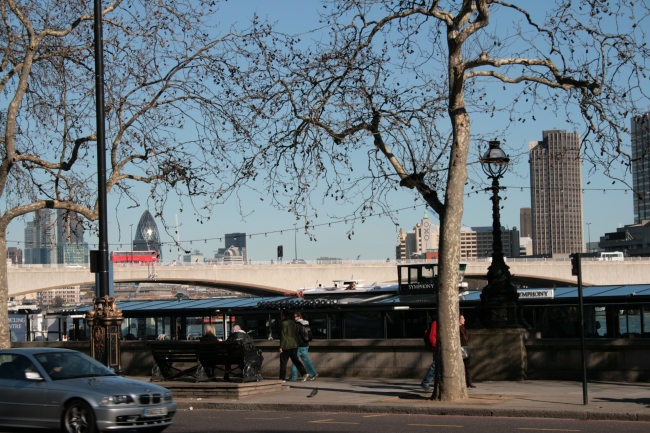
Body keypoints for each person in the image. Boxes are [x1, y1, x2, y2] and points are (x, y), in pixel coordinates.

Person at [279, 310, 309, 382]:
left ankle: (282, 378)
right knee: (295, 360)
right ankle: (304, 373)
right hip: (294, 345)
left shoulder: (284, 323)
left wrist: (281, 346)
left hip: (287, 345)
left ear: (283, 316)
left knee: (283, 362)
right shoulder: (293, 322)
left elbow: (283, 336)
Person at [290, 312, 318, 381]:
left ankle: (294, 377)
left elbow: (294, 335)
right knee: (306, 360)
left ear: (299, 317)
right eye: (294, 317)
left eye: (295, 317)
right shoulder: (306, 324)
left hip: (299, 345)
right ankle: (313, 374)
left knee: (295, 361)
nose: (294, 318)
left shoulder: (297, 324)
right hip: (306, 344)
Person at [420, 316, 437, 392]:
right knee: (435, 365)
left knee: (436, 366)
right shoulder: (435, 323)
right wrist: (436, 346)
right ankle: (426, 382)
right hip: (437, 348)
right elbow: (432, 336)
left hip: (438, 347)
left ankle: (427, 382)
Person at [460, 314, 475, 388]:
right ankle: (468, 381)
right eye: (462, 318)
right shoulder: (458, 328)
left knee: (467, 365)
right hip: (461, 347)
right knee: (465, 365)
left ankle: (469, 381)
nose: (464, 319)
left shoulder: (462, 327)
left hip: (464, 347)